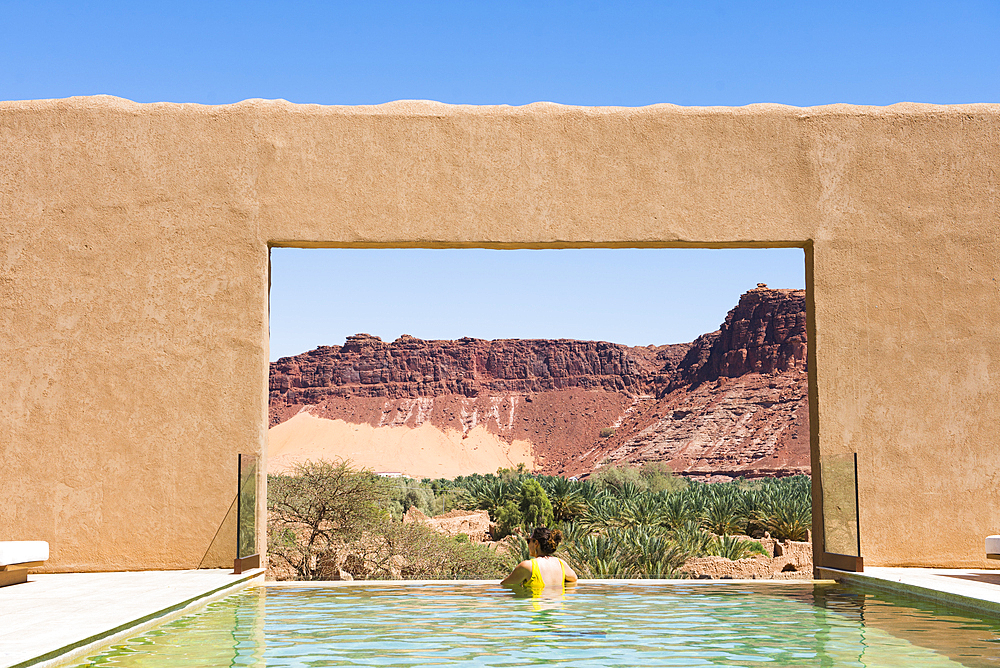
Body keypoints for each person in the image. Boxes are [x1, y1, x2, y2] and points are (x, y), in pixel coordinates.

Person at [501, 527, 578, 591]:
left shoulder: (527, 566)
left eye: (528, 541)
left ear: (536, 543)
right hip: (558, 608)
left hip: (537, 608)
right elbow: (574, 579)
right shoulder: (561, 564)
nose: (527, 544)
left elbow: (503, 587)